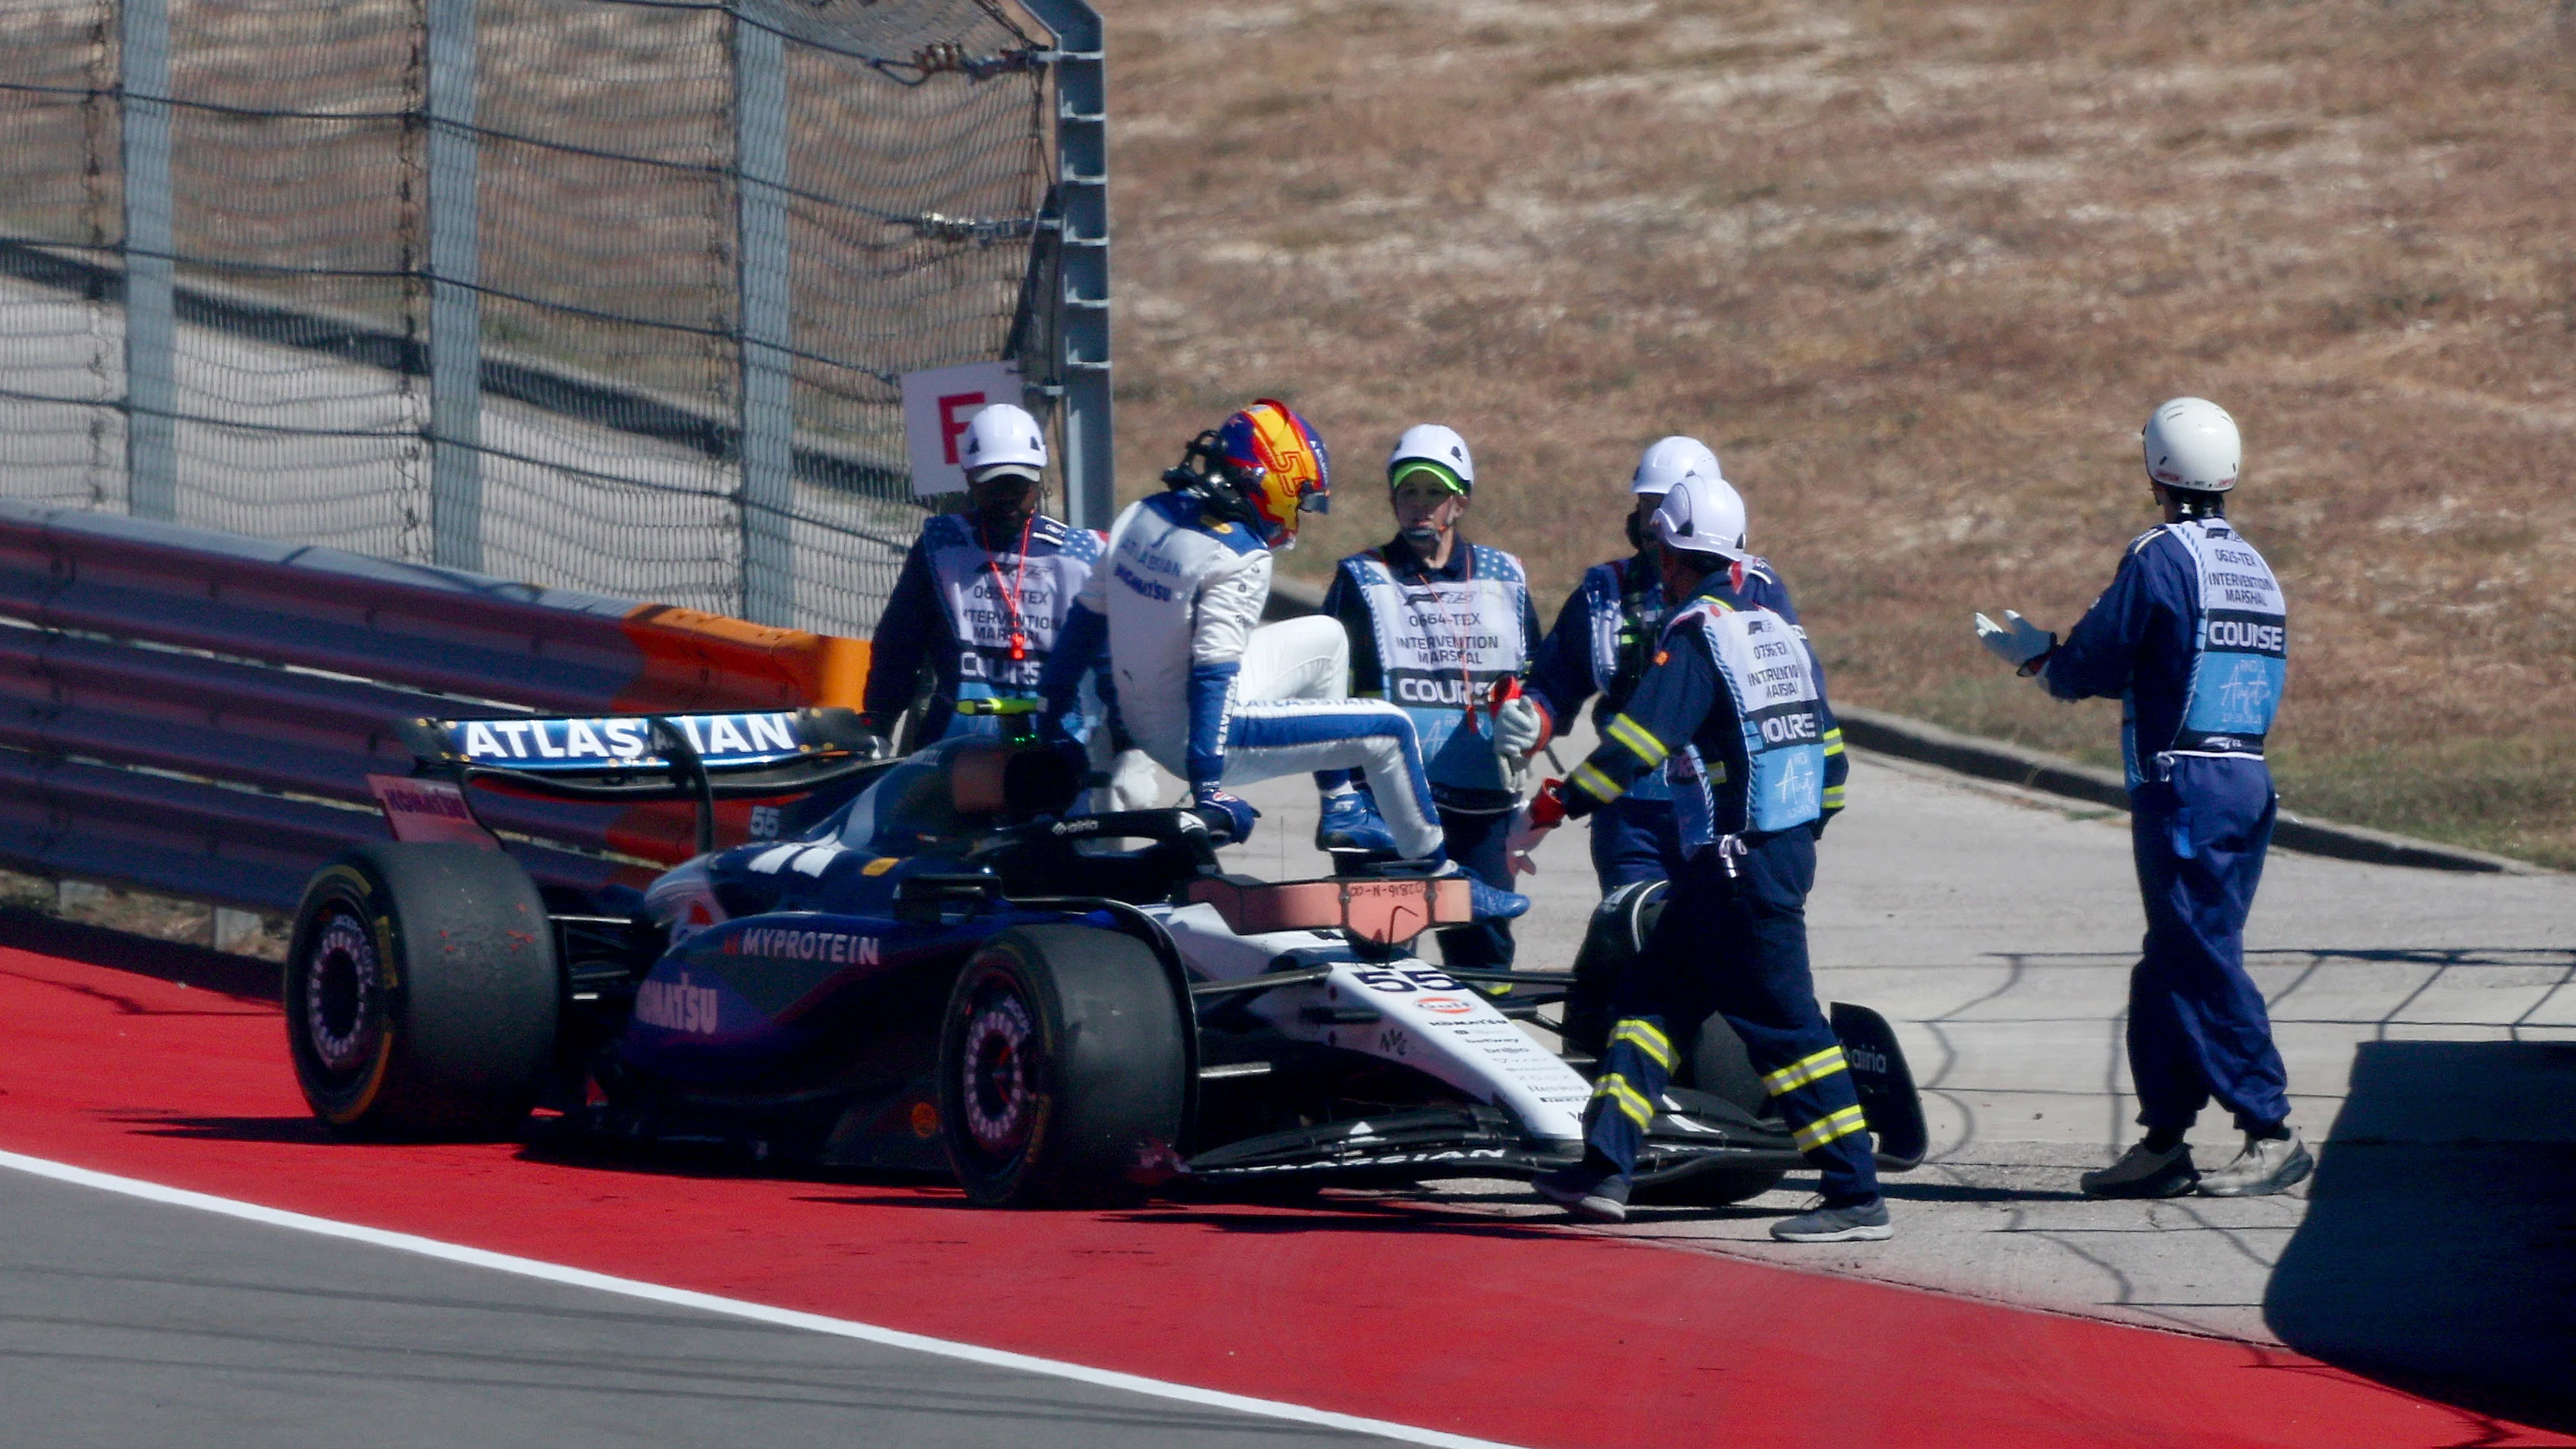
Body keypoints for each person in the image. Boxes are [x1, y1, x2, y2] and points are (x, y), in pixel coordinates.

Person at [1528, 473, 1879, 1242]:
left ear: (1671, 556)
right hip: (1748, 862)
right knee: (1648, 1007)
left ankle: (1855, 1192)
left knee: (1788, 1034)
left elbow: (1635, 747)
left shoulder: (1695, 637)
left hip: (1735, 870)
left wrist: (1554, 805)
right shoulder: (1779, 635)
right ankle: (1605, 1169)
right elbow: (1833, 762)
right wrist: (1794, 841)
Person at [1974, 396, 2309, 1200]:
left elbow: (2095, 657)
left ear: (2154, 470)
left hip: (2182, 782)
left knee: (2195, 959)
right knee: (2169, 961)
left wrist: (2040, 659)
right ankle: (2164, 1140)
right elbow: (2180, 659)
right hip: (2244, 773)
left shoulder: (2159, 554)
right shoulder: (2252, 566)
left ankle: (2272, 1130)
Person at [1037, 401, 1529, 922]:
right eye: (1297, 495)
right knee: (1390, 729)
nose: (1298, 511)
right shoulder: (1242, 554)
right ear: (1268, 481)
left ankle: (1341, 804)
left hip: (1146, 713)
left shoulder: (1142, 513)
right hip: (1198, 735)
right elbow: (1213, 674)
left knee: (1327, 638)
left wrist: (1047, 719)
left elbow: (1083, 625)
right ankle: (1438, 873)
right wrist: (1209, 789)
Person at [1521, 437, 1847, 892]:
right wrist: (1531, 717)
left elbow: (1799, 694)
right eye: (1648, 506)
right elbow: (1554, 683)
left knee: (1718, 950)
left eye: (1667, 507)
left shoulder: (1754, 588)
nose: (1656, 525)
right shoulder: (1602, 591)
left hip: (1724, 814)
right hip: (1631, 816)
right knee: (1637, 935)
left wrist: (1811, 812)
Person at [1318, 424, 1543, 969]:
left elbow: (1537, 675)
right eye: (1408, 492)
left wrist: (1532, 719)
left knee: (1485, 958)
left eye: (1434, 493)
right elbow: (1324, 685)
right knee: (1382, 955)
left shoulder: (1505, 574)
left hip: (1482, 803)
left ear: (1459, 502)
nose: (1419, 507)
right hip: (1386, 801)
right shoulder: (1360, 577)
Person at [862, 404, 1120, 754]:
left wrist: (1126, 738)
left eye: (1020, 484)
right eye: (995, 484)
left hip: (1059, 744)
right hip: (955, 743)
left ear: (1038, 477)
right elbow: (899, 644)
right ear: (969, 477)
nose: (1008, 497)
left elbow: (1113, 658)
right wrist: (879, 720)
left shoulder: (1084, 554)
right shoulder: (941, 547)